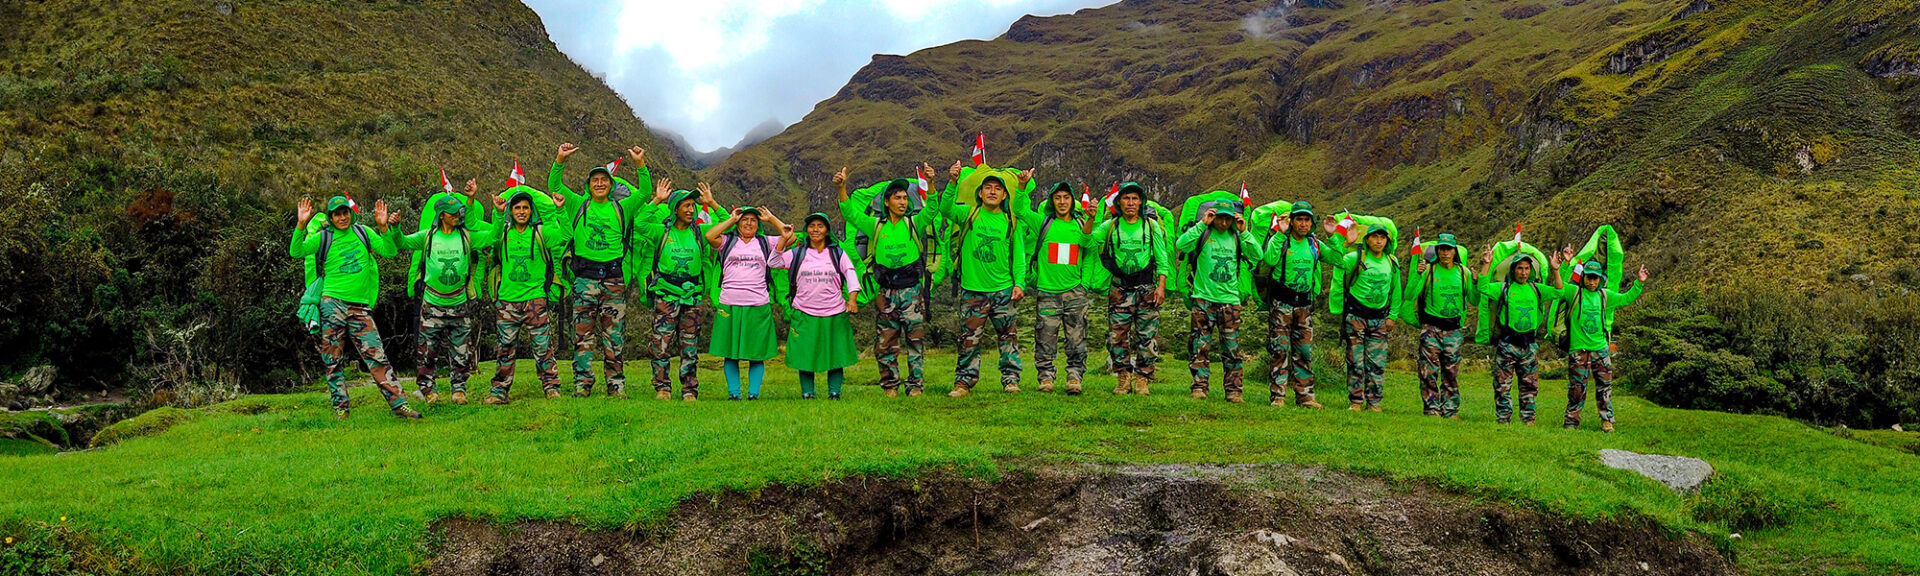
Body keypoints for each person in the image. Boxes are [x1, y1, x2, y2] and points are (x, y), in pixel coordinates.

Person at [289, 195, 420, 419]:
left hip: (360, 308)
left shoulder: (363, 233)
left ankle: (400, 404)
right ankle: (341, 408)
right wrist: (301, 224)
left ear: (351, 213)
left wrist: (383, 227)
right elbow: (297, 251)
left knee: (376, 355)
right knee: (332, 359)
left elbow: (390, 251)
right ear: (330, 217)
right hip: (332, 304)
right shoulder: (323, 238)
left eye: (345, 212)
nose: (342, 217)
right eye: (337, 214)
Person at [548, 144, 653, 398]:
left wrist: (640, 164)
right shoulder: (577, 205)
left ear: (610, 184)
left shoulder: (622, 207)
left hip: (614, 279)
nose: (599, 184)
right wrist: (560, 159)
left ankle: (616, 386)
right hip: (585, 279)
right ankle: (582, 385)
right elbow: (555, 184)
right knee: (582, 335)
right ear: (588, 185)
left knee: (613, 336)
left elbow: (645, 193)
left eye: (603, 180)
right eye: (594, 180)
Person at [391, 181, 501, 405]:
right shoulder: (428, 237)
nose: (456, 216)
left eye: (458, 212)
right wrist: (394, 227)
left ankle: (459, 390)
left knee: (461, 351)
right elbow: (401, 242)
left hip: (459, 303)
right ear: (441, 215)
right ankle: (428, 390)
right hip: (432, 304)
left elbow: (493, 237)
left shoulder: (467, 236)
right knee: (426, 351)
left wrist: (498, 215)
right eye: (452, 213)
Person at [837, 167, 942, 397]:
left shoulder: (915, 222)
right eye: (897, 197)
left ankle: (915, 387)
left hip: (912, 291)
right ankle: (890, 386)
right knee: (885, 343)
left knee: (915, 341)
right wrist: (842, 188)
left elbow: (933, 207)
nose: (903, 201)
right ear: (886, 202)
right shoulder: (875, 226)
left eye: (905, 198)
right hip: (885, 293)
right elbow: (850, 214)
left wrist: (931, 183)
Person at [935, 163, 1029, 397]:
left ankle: (1011, 380)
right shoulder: (969, 213)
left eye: (998, 188)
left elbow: (1018, 257)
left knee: (1008, 338)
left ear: (1005, 194)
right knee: (969, 339)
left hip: (1003, 290)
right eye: (988, 187)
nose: (993, 192)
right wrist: (952, 182)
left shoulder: (1011, 221)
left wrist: (1019, 283)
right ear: (980, 192)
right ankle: (963, 383)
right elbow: (944, 208)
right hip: (973, 290)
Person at [634, 181, 726, 401]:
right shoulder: (661, 231)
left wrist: (711, 203)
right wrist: (657, 200)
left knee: (690, 346)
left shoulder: (700, 231)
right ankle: (662, 388)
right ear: (674, 209)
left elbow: (726, 224)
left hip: (692, 296)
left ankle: (689, 390)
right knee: (660, 344)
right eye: (685, 205)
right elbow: (639, 224)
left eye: (692, 206)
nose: (690, 209)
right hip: (666, 295)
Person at [485, 186, 571, 403]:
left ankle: (551, 387)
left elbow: (566, 235)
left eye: (525, 207)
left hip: (535, 300)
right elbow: (491, 238)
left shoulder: (541, 233)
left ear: (531, 211)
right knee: (504, 348)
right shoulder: (504, 233)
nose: (521, 211)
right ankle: (499, 392)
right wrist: (497, 213)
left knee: (543, 347)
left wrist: (560, 211)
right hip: (507, 301)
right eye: (517, 208)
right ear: (511, 211)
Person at [1256, 202, 1342, 408]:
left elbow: (1339, 260)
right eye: (1299, 219)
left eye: (1307, 220)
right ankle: (1278, 396)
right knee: (1279, 350)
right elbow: (1268, 258)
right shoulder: (1283, 242)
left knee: (1304, 352)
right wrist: (1279, 233)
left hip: (1304, 306)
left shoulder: (1315, 245)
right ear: (1292, 221)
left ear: (1311, 223)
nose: (1303, 224)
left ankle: (1306, 397)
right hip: (1281, 304)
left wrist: (1333, 236)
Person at [704, 205, 794, 400]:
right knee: (730, 351)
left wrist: (771, 218)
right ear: (738, 224)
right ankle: (734, 394)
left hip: (758, 303)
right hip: (730, 302)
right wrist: (730, 220)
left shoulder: (765, 242)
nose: (749, 223)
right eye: (744, 219)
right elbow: (710, 236)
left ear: (758, 224)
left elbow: (789, 236)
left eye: (753, 220)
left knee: (756, 353)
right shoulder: (727, 241)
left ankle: (753, 393)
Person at [1551, 248, 1647, 432]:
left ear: (1600, 279)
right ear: (1583, 277)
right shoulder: (1574, 293)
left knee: (1604, 387)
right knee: (1577, 388)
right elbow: (1559, 288)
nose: (1592, 281)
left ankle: (1607, 421)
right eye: (1589, 277)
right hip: (1579, 349)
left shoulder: (1605, 296)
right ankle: (1571, 422)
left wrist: (1639, 283)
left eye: (1595, 278)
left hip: (1601, 349)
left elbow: (1626, 299)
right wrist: (1559, 268)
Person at [1087, 183, 1170, 395]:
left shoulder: (1151, 226)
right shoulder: (1110, 226)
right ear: (1119, 202)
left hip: (1146, 289)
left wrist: (1161, 287)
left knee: (1147, 337)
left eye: (1134, 198)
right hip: (1119, 289)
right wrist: (1090, 218)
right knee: (1117, 336)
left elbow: (1162, 259)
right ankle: (1123, 377)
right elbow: (1086, 241)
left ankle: (1143, 378)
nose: (1130, 203)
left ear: (1141, 201)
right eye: (1126, 199)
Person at [1175, 200, 1262, 402]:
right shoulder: (1204, 234)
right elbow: (1181, 245)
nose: (1223, 222)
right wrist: (1202, 224)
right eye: (1220, 217)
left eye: (1227, 218)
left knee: (1232, 349)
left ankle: (1233, 391)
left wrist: (1245, 231)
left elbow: (1258, 255)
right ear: (1213, 216)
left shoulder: (1237, 236)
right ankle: (1199, 387)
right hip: (1203, 299)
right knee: (1200, 347)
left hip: (1230, 300)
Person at [1016, 181, 1095, 394]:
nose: (1062, 202)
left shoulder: (1080, 225)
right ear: (1052, 201)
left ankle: (1075, 378)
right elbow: (1020, 210)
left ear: (1072, 200)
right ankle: (1046, 378)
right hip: (1048, 291)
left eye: (1066, 197)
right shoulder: (1042, 222)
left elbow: (1089, 253)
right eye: (1057, 197)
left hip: (1075, 293)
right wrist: (1022, 187)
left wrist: (1083, 285)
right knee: (1045, 337)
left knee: (1077, 338)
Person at [772, 213, 862, 399]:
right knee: (805, 354)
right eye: (811, 225)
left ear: (827, 230)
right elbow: (774, 262)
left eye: (820, 226)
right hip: (804, 311)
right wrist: (783, 239)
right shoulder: (798, 253)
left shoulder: (837, 253)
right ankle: (807, 393)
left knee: (836, 354)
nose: (815, 229)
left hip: (834, 311)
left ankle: (834, 392)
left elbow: (850, 273)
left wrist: (852, 299)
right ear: (806, 230)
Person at [1477, 246, 1562, 424]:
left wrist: (1556, 270)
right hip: (1507, 344)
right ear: (1513, 270)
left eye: (1526, 268)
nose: (1523, 272)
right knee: (1502, 386)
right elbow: (1483, 287)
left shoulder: (1536, 289)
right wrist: (1487, 264)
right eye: (1519, 268)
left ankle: (1528, 419)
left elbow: (1559, 291)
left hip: (1529, 346)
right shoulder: (1504, 289)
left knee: (1529, 386)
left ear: (1531, 271)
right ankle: (1503, 419)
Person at [1330, 224, 1402, 412]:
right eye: (1375, 237)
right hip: (1356, 316)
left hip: (1379, 318)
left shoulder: (1392, 262)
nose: (1379, 241)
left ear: (1387, 241)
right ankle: (1355, 401)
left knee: (1377, 362)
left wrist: (1392, 316)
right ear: (1367, 239)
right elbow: (1337, 261)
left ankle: (1374, 403)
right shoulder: (1355, 258)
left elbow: (1396, 292)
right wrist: (1345, 243)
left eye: (1382, 237)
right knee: (1355, 361)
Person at [1404, 234, 1475, 419]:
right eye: (1442, 249)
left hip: (1454, 330)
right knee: (1428, 371)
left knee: (1451, 372)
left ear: (1455, 251)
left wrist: (1477, 281)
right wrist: (1417, 275)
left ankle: (1450, 410)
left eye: (1449, 249)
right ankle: (1431, 409)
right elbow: (1410, 294)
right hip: (1431, 329)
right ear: (1437, 251)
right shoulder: (1429, 270)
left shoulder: (1463, 273)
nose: (1445, 253)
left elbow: (1474, 300)